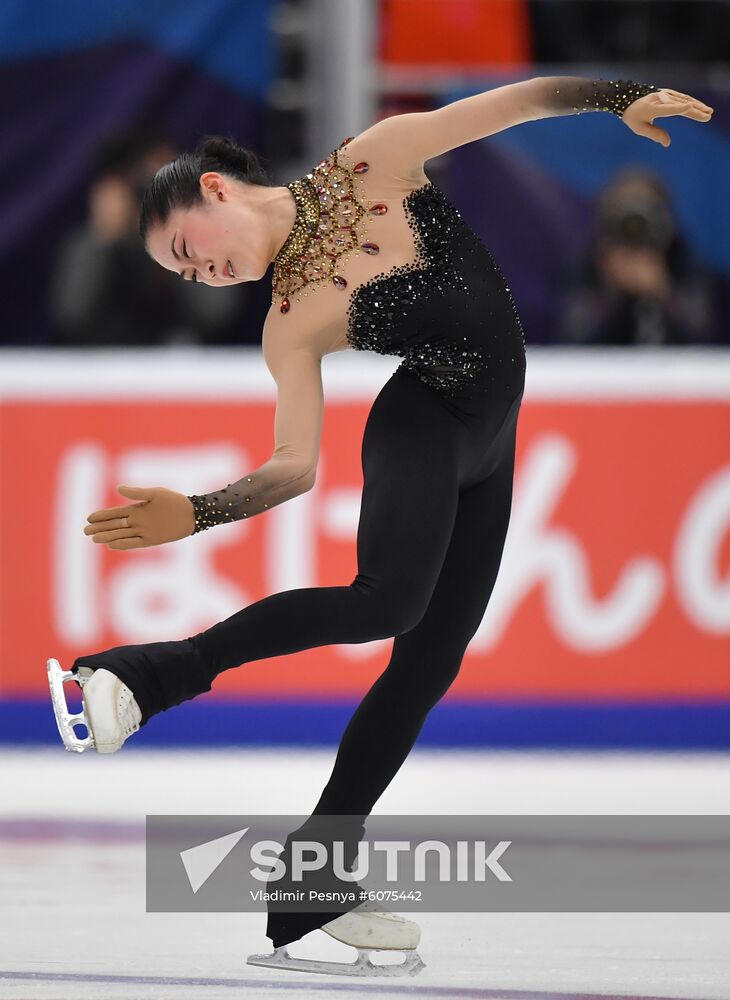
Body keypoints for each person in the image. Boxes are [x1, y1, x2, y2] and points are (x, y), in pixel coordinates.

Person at [49, 77, 713, 976]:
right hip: (425, 424)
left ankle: (310, 890)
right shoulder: (287, 325)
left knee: (429, 664)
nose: (202, 275)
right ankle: (143, 679)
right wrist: (200, 512)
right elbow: (296, 466)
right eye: (187, 276)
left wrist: (618, 96)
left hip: (493, 436)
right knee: (388, 603)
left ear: (212, 189)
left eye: (189, 253)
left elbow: (507, 107)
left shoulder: (369, 164)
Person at [557, 166, 718, 345]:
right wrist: (612, 292)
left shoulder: (685, 263)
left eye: (646, 213)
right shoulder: (588, 265)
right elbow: (571, 339)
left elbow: (706, 337)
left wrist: (663, 293)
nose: (635, 227)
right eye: (625, 215)